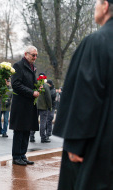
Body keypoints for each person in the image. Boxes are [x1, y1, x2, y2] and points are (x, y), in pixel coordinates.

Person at [53, 0, 113, 189]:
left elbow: (86, 95)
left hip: (101, 144)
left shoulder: (97, 42)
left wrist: (75, 143)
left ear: (105, 6)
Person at [9, 46, 39, 166]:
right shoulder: (18, 65)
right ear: (26, 54)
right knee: (19, 130)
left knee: (26, 129)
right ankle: (16, 156)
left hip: (29, 103)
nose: (35, 57)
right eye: (33, 55)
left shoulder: (32, 67)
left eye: (36, 55)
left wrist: (37, 87)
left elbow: (30, 82)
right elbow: (16, 84)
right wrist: (31, 92)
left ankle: (22, 154)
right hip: (20, 103)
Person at [29, 72, 52, 143]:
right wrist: (50, 106)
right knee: (43, 122)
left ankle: (32, 136)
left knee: (34, 121)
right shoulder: (45, 85)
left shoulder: (35, 85)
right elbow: (48, 97)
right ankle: (43, 137)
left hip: (35, 105)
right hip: (43, 106)